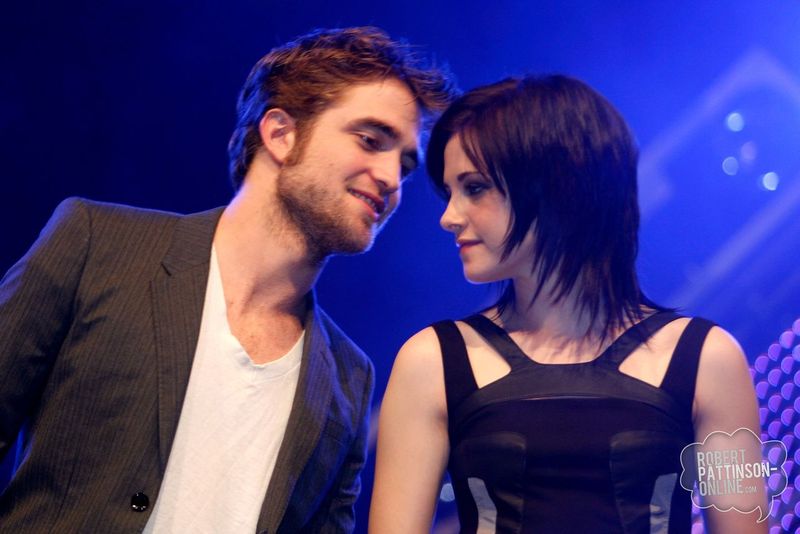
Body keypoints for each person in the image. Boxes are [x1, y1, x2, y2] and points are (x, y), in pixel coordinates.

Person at [0, 27, 455, 533]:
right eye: (370, 141)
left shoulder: (349, 377)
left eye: (404, 166)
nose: (391, 178)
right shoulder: (98, 245)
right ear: (280, 133)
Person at [370, 76, 765, 533]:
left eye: (474, 188)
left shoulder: (709, 359)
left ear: (557, 185)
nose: (448, 217)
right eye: (450, 192)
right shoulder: (432, 362)